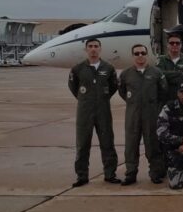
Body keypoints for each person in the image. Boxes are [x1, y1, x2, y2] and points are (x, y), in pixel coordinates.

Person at [68, 38, 120, 187]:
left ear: (100, 49)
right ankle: (82, 176)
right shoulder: (78, 69)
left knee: (107, 143)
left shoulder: (108, 68)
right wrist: (86, 99)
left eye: (96, 46)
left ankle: (110, 174)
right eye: (90, 46)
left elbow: (113, 87)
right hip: (85, 111)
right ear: (86, 49)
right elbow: (74, 87)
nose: (93, 49)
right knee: (83, 144)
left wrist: (101, 98)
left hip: (103, 110)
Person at [118, 44, 169, 185]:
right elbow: (122, 91)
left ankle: (155, 173)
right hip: (132, 115)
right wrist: (134, 103)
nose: (140, 56)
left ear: (146, 55)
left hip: (151, 115)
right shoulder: (126, 74)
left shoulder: (156, 73)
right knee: (131, 146)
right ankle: (131, 173)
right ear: (133, 56)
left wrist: (153, 106)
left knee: (153, 145)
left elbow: (163, 92)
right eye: (136, 53)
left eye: (142, 53)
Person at [156, 34, 183, 102]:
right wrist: (180, 73)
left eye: (177, 43)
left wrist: (167, 76)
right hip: (165, 99)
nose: (174, 45)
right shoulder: (161, 59)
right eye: (172, 43)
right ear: (167, 45)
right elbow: (159, 76)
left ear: (181, 45)